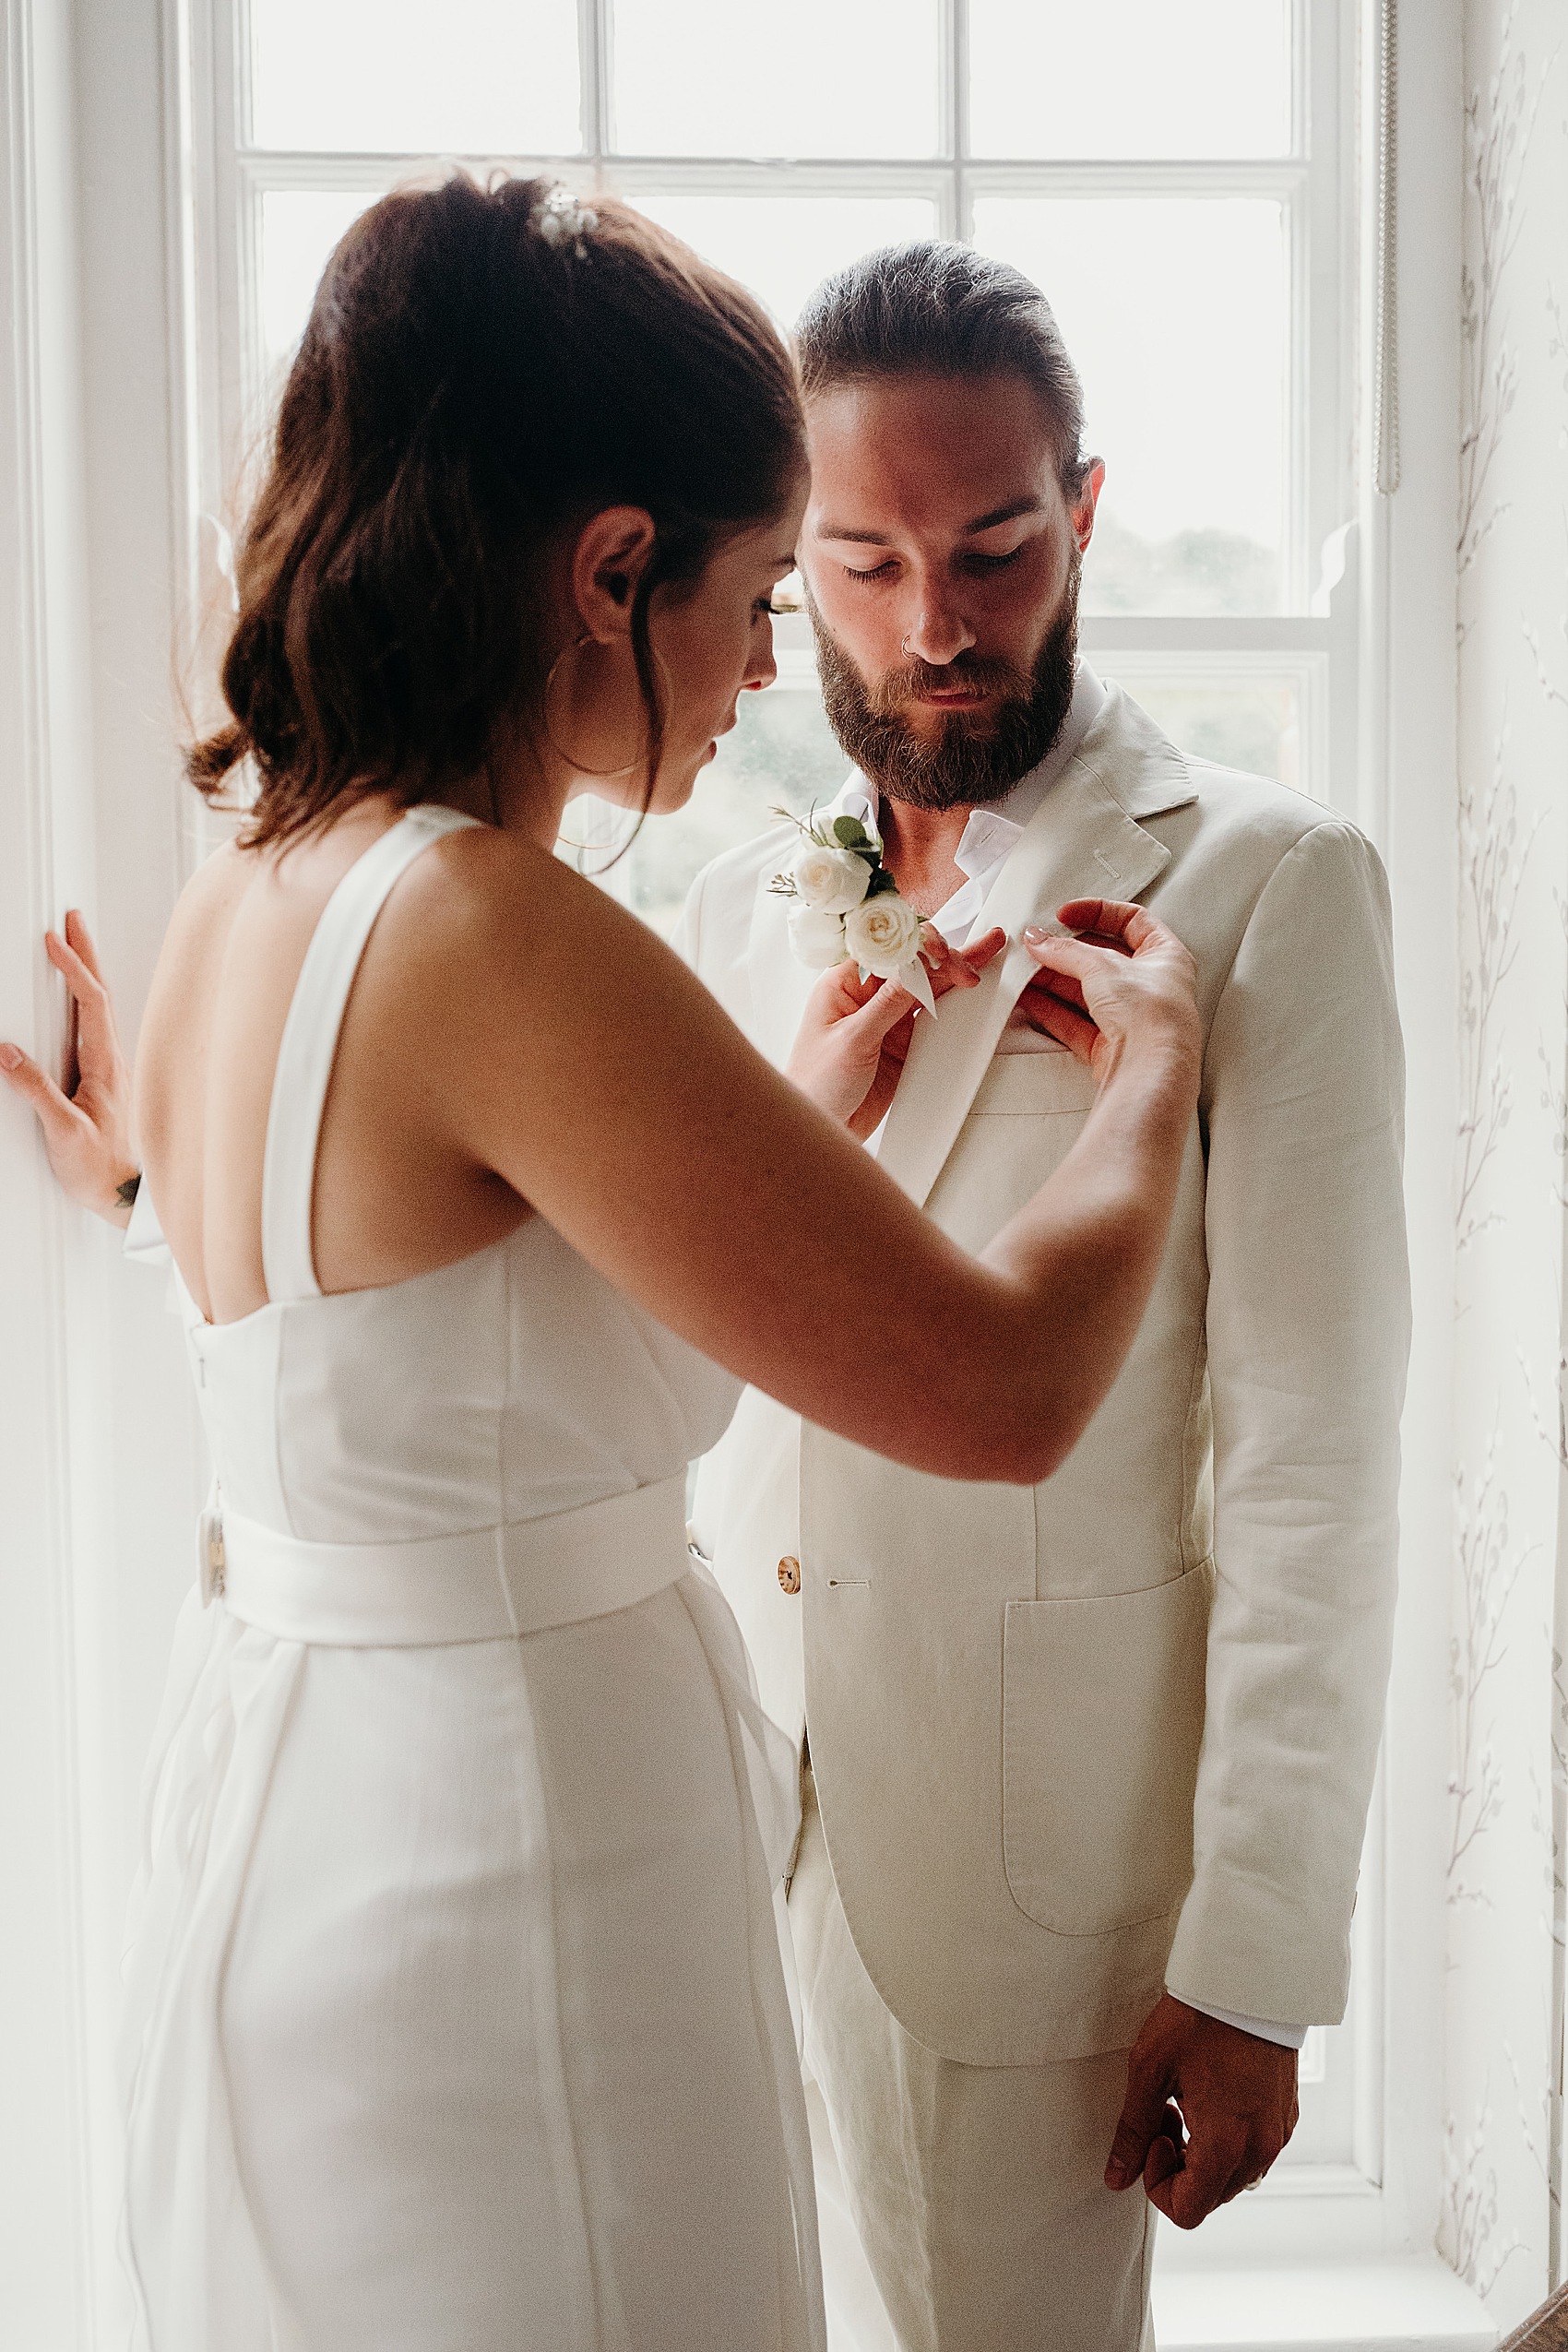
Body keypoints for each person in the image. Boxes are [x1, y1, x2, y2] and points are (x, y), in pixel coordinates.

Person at [0, 183, 1201, 2352]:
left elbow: (386, 1348)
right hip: (522, 1879)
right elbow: (1006, 1395)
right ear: (607, 569)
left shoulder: (245, 894)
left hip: (295, 1846)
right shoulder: (500, 927)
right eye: (757, 600)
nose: (765, 678)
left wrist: (784, 1131)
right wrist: (1151, 1088)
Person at [676, 243, 1410, 2352]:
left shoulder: (1267, 884)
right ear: (788, 564)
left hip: (1033, 1888)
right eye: (865, 560)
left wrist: (1257, 1949)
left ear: (1079, 514)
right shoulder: (745, 893)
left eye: (993, 547)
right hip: (722, 1827)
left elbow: (1318, 1456)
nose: (936, 625)